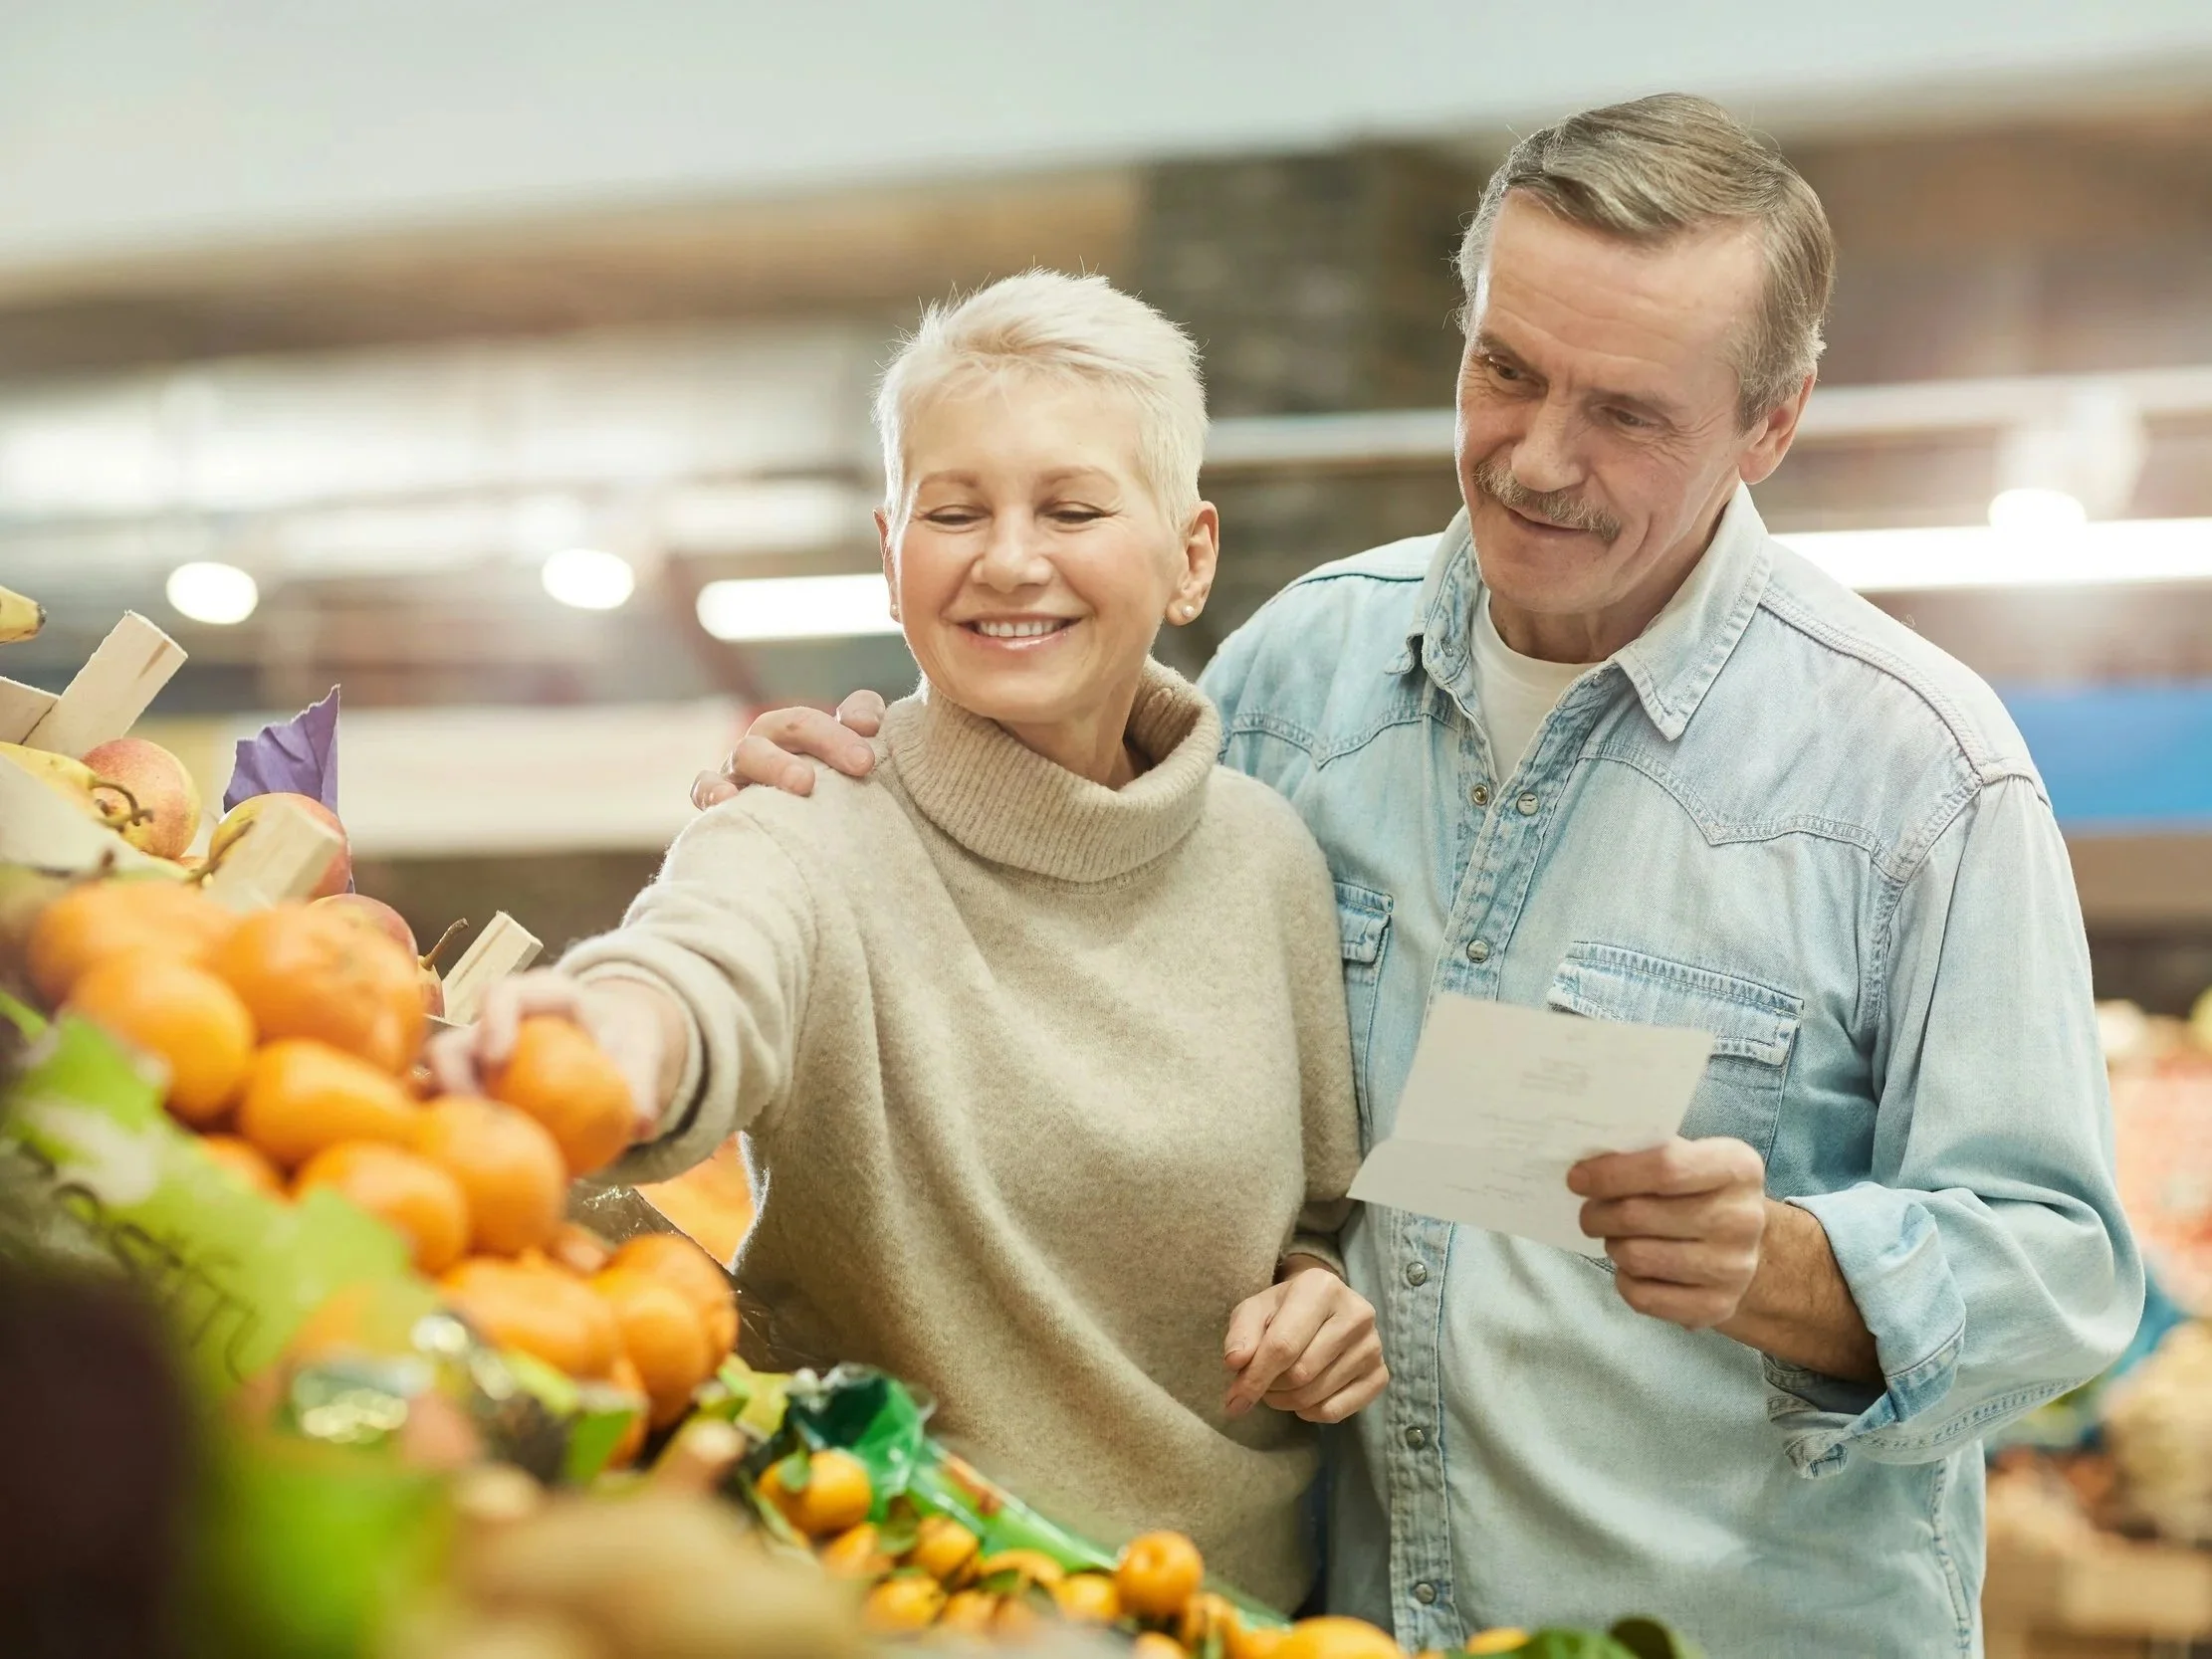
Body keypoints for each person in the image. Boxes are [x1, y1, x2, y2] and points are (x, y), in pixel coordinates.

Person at [699, 96, 2143, 1655]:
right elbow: (1079, 922)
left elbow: (2062, 1267)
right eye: (1504, 369)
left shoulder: (1913, 774)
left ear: (1769, 423)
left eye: (1626, 414)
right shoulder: (1295, 681)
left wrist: (1788, 1266)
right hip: (1342, 1624)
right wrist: (848, 788)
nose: (1534, 457)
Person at [431, 271, 1385, 1609]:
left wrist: (1319, 1298)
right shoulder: (806, 824)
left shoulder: (1263, 855)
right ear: (892, 551)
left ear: (1190, 553)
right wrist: (606, 1032)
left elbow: (1313, 1219)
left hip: (1234, 1619)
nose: (1005, 556)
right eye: (952, 510)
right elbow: (694, 972)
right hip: (905, 1609)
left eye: (1070, 507)